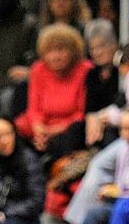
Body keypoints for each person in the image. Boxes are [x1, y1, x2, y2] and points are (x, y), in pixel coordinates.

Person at [15, 23, 91, 162]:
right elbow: (34, 108)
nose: (55, 56)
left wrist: (52, 131)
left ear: (73, 51)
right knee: (14, 130)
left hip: (69, 129)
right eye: (50, 51)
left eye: (61, 50)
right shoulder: (38, 69)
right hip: (42, 127)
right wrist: (39, 129)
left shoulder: (85, 70)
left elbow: (82, 113)